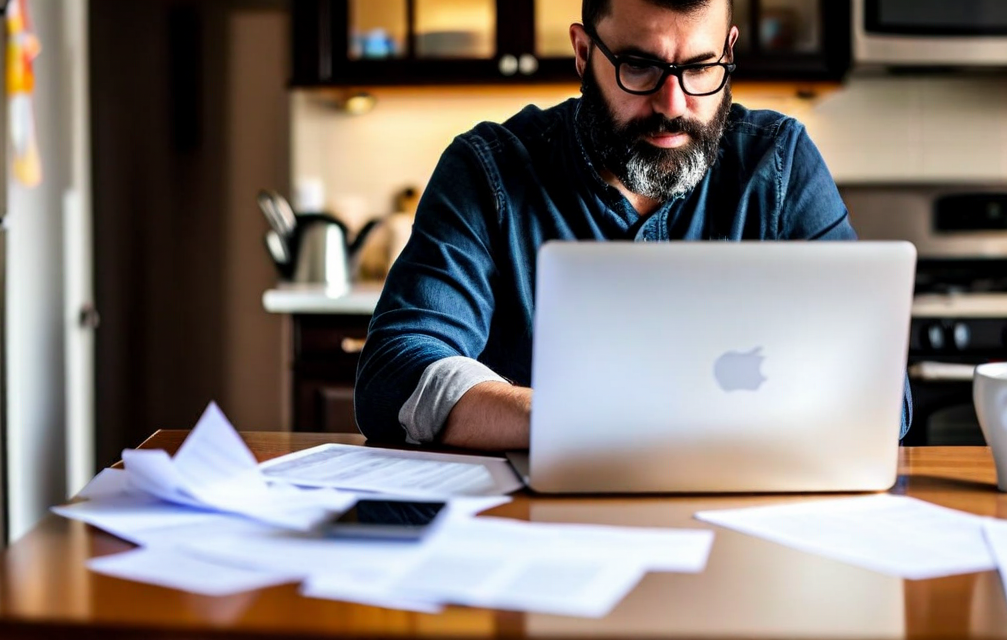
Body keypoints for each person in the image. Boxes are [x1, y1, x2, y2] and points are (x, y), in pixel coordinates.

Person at [355, 0, 912, 450]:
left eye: (699, 68)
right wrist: (588, 425)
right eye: (639, 66)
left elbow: (884, 393)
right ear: (581, 52)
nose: (673, 103)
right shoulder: (488, 170)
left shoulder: (779, 163)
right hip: (538, 530)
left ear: (729, 52)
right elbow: (396, 374)